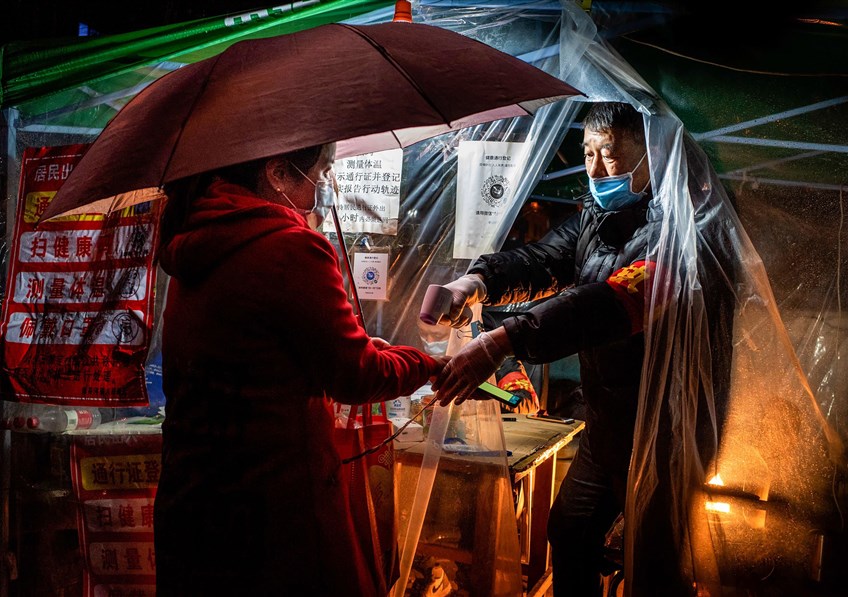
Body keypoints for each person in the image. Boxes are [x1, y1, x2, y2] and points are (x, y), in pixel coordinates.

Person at [424, 102, 734, 595]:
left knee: (653, 566)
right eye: (587, 153)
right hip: (607, 424)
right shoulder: (597, 216)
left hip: (665, 434)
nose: (594, 170)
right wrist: (476, 282)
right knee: (570, 532)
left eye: (609, 154)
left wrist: (505, 340)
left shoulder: (688, 230)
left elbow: (610, 304)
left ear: (653, 154)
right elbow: (544, 258)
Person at [153, 142, 448, 596]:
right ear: (276, 173)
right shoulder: (291, 246)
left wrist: (350, 346)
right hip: (275, 514)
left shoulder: (195, 242)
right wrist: (426, 364)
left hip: (194, 505)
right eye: (322, 171)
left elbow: (255, 352)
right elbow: (356, 375)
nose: (323, 187)